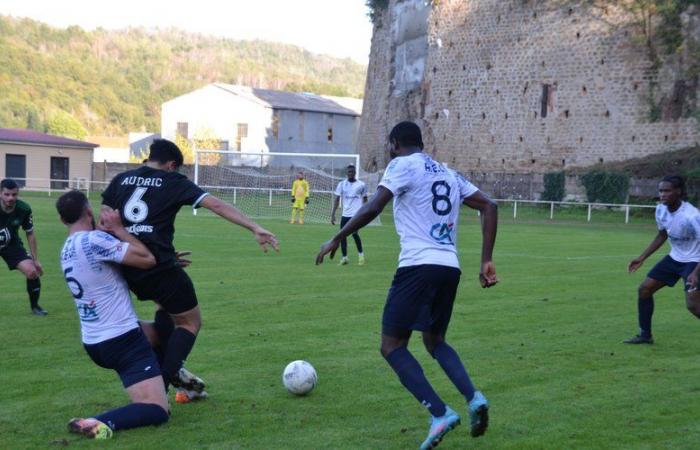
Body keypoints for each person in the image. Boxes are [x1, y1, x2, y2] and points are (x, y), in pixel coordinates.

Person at [316, 121, 498, 449]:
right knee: (435, 341)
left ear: (396, 143)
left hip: (417, 266)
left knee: (392, 345)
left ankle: (440, 413)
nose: (389, 152)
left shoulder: (402, 164)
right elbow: (489, 205)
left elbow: (374, 206)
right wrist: (486, 259)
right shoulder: (448, 172)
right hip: (449, 267)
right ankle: (474, 398)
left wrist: (336, 237)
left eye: (389, 147)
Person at [100, 139, 278, 394]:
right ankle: (160, 386)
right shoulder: (173, 181)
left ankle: (172, 372)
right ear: (172, 165)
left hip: (127, 265)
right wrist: (254, 227)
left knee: (167, 310)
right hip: (159, 267)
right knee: (189, 323)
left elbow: (104, 224)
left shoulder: (121, 180)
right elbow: (215, 204)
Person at [57, 190, 169, 439]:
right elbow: (146, 259)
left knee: (162, 333)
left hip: (94, 341)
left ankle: (174, 379)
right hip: (122, 340)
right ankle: (97, 422)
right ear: (89, 212)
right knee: (158, 410)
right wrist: (119, 229)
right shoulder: (95, 240)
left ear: (62, 221)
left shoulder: (65, 249)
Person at [625, 176, 700, 344]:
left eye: (667, 190)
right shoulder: (660, 210)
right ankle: (645, 335)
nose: (663, 194)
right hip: (675, 258)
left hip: (695, 261)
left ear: (679, 192)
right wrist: (642, 258)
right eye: (660, 191)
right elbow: (662, 234)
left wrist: (695, 273)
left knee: (693, 306)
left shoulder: (692, 215)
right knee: (644, 289)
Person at [0, 178, 46, 315]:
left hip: (11, 245)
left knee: (32, 272)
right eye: (7, 194)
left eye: (14, 195)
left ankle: (35, 307)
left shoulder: (23, 209)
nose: (10, 198)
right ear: (0, 193)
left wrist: (35, 259)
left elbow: (30, 233)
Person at [331, 165, 368, 266]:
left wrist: (365, 213)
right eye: (348, 172)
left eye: (352, 172)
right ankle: (344, 258)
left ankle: (361, 256)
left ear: (355, 173)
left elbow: (365, 200)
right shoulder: (342, 184)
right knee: (342, 235)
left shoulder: (362, 185)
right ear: (347, 173)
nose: (350, 174)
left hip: (356, 215)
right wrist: (333, 214)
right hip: (345, 215)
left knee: (355, 234)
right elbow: (337, 199)